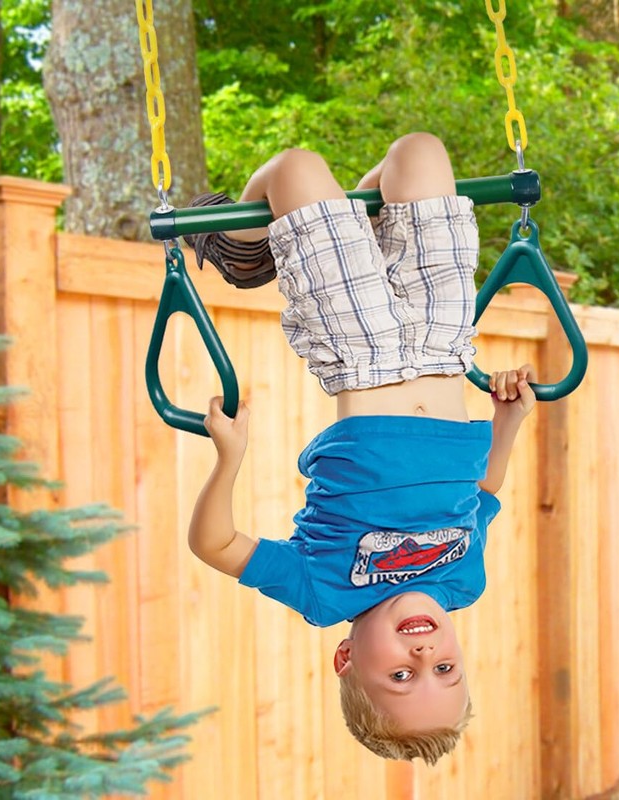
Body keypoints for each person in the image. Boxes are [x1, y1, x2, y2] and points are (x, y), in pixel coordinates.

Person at [185, 132, 536, 765]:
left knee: (297, 170)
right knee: (420, 154)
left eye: (401, 675)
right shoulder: (464, 581)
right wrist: (507, 420)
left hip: (362, 354)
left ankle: (239, 248)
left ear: (345, 657)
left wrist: (229, 457)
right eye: (446, 669)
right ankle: (363, 231)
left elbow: (215, 546)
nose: (424, 655)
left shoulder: (324, 594)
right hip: (446, 345)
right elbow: (483, 493)